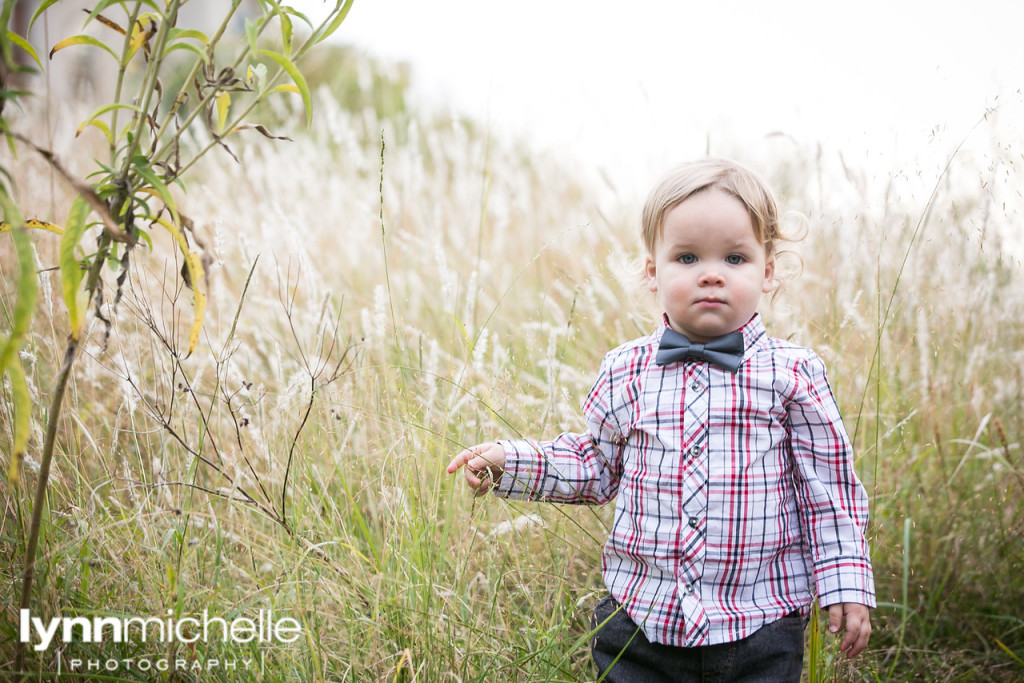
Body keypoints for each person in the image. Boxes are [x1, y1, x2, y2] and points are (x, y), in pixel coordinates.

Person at [447, 158, 875, 682]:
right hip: (640, 626)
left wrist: (846, 583)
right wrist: (509, 462)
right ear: (653, 271)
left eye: (735, 257)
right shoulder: (625, 369)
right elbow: (596, 465)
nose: (711, 273)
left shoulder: (794, 373)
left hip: (760, 627)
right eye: (688, 256)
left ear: (767, 272)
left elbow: (828, 489)